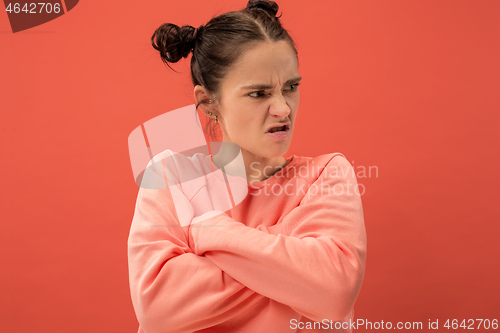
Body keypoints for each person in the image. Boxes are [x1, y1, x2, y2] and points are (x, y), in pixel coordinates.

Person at [127, 1, 367, 332]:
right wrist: (292, 265)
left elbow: (334, 290)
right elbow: (158, 308)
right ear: (209, 101)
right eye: (258, 93)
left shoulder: (327, 175)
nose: (283, 108)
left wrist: (209, 231)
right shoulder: (170, 177)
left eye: (291, 87)